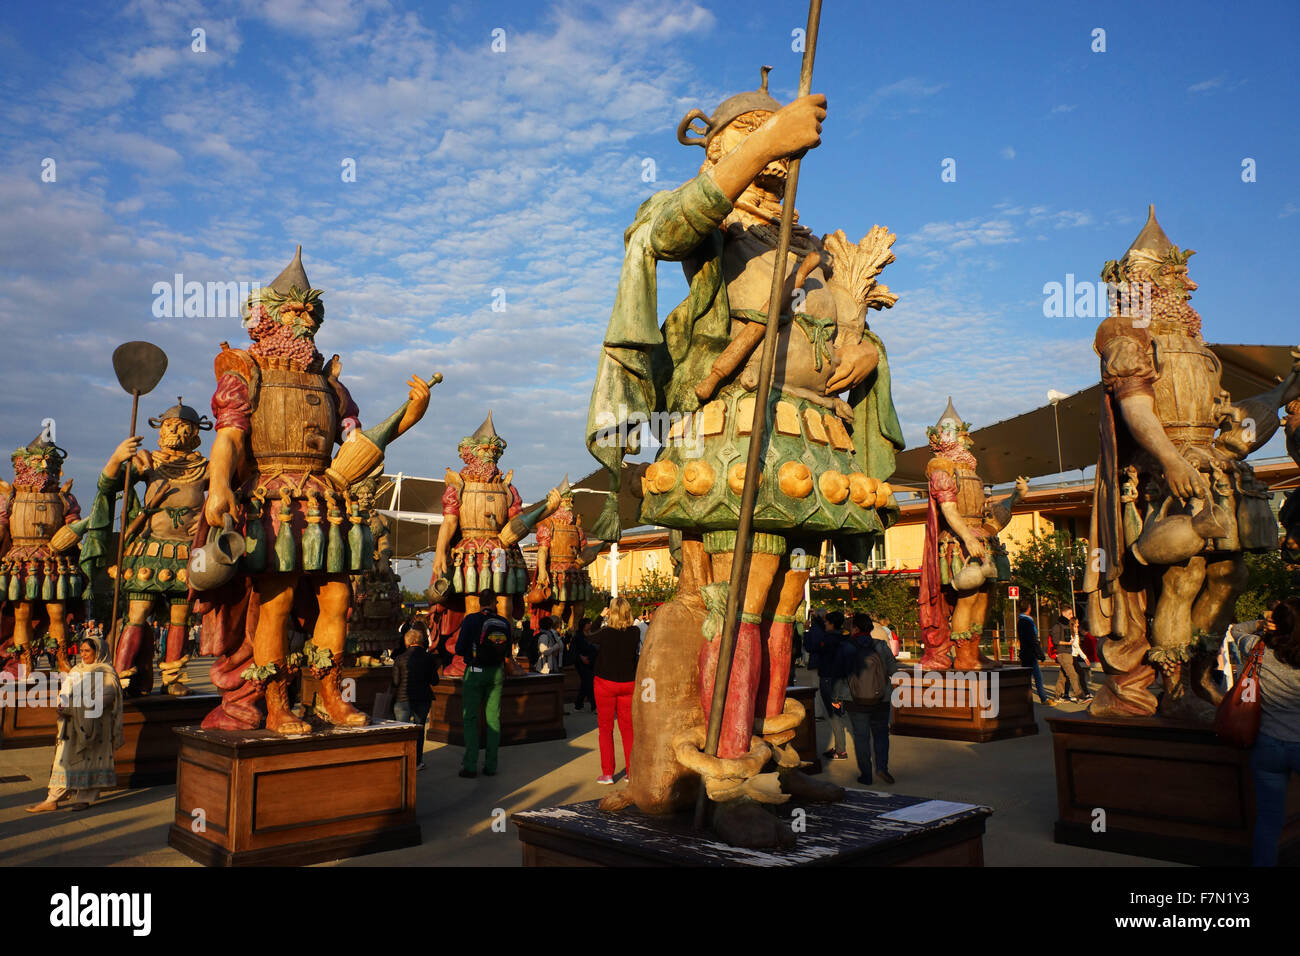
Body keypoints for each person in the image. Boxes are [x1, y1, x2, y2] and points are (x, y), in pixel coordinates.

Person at [27, 636, 123, 812]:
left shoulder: (106, 672)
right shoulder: (76, 670)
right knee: (63, 759)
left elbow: (107, 698)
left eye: (87, 651)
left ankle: (84, 798)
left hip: (96, 726)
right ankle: (53, 798)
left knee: (91, 761)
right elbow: (65, 692)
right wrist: (63, 704)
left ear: (98, 652)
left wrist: (78, 707)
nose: (83, 654)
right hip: (71, 725)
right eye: (82, 650)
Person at [1237, 598, 1300, 866]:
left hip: (1268, 745)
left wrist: (1262, 623)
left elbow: (1236, 630)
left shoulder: (1258, 649)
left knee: (1268, 822)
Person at [454, 588, 512, 778]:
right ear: (495, 602)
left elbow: (459, 648)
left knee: (470, 718)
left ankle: (470, 765)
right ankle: (491, 765)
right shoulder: (503, 622)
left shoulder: (471, 620)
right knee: (493, 719)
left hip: (475, 672)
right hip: (496, 673)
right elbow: (508, 653)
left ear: (480, 603)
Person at [841, 612, 898, 785]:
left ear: (855, 628)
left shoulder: (846, 647)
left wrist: (836, 696)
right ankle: (882, 768)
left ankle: (866, 774)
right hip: (881, 698)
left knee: (861, 737)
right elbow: (893, 671)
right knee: (881, 734)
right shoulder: (880, 646)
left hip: (854, 699)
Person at [592, 597, 640, 784]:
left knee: (605, 728)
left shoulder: (605, 633)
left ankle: (608, 773)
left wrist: (599, 617)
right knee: (628, 729)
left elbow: (587, 634)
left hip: (605, 682)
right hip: (628, 683)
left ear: (611, 612)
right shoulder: (635, 632)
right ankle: (631, 771)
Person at [391, 626, 438, 770]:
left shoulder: (399, 658)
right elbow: (434, 680)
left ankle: (402, 760)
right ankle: (417, 761)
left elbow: (395, 682)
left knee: (402, 730)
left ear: (407, 641)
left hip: (402, 698)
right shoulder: (428, 658)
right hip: (423, 697)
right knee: (419, 729)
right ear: (421, 640)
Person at [820, 610, 849, 759]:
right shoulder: (844, 638)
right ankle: (839, 746)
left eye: (826, 622)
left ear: (831, 623)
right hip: (841, 678)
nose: (824, 624)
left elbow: (815, 648)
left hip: (828, 678)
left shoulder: (829, 640)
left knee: (834, 715)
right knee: (836, 713)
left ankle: (840, 750)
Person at [1017, 608, 1052, 705]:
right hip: (1030, 653)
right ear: (1029, 609)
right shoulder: (1028, 622)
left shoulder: (1020, 621)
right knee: (1037, 677)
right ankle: (1043, 698)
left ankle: (1025, 698)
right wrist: (1040, 653)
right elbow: (1033, 639)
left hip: (1024, 652)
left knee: (1027, 677)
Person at [1050, 607, 1086, 702]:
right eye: (1069, 614)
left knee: (1063, 676)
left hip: (1068, 653)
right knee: (1073, 674)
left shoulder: (1067, 625)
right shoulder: (1057, 626)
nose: (1071, 616)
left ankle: (1057, 696)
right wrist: (1067, 643)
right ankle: (1079, 695)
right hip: (1062, 653)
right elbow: (1055, 641)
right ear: (1063, 613)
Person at [571, 619, 600, 711]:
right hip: (581, 662)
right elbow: (574, 650)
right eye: (588, 623)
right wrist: (581, 657)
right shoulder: (578, 636)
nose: (590, 625)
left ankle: (578, 704)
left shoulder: (590, 634)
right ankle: (594, 705)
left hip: (591, 661)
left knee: (585, 683)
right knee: (589, 682)